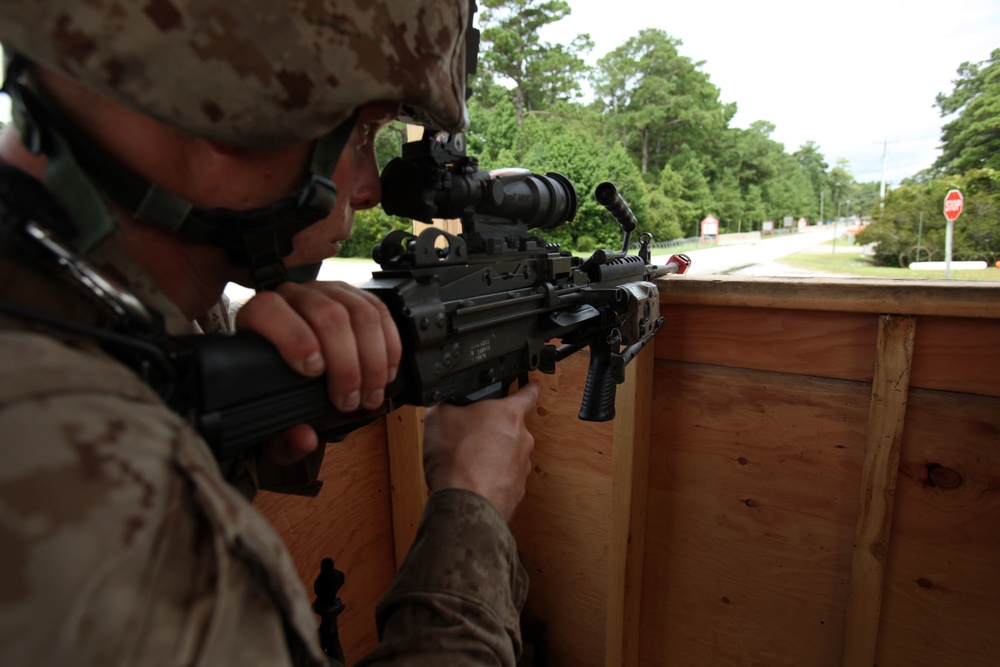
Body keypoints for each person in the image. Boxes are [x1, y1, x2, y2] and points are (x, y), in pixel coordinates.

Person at [0, 1, 540, 666]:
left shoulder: (107, 317)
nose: (369, 187)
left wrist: (301, 388)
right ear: (232, 114)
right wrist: (472, 508)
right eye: (361, 136)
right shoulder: (92, 497)